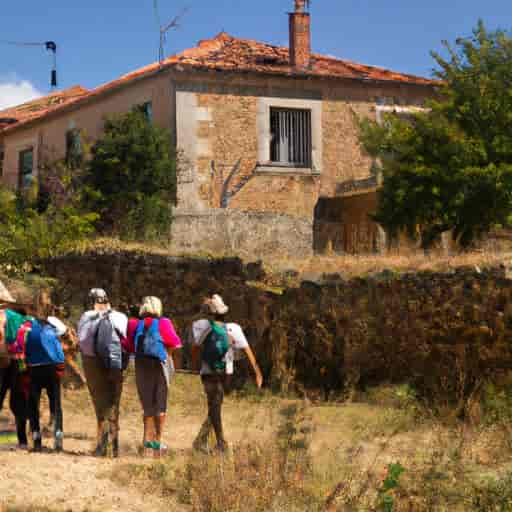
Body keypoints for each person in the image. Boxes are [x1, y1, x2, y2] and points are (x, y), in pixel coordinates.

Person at [191, 294, 263, 453]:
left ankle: (204, 440)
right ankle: (219, 443)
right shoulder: (234, 328)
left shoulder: (203, 327)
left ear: (210, 313)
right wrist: (257, 372)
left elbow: (195, 348)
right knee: (216, 405)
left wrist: (196, 366)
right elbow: (247, 351)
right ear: (225, 313)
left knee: (215, 406)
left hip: (207, 371)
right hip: (226, 373)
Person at [127, 296, 182, 457]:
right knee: (160, 404)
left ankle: (145, 444)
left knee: (147, 406)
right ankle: (158, 441)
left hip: (141, 364)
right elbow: (175, 342)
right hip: (159, 365)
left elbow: (129, 346)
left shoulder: (134, 324)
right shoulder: (164, 322)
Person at [77, 288, 128, 457]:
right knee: (114, 405)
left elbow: (83, 342)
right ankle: (115, 447)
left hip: (93, 363)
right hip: (117, 365)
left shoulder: (86, 316)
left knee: (101, 407)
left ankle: (102, 446)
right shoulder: (120, 316)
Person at [25, 316, 67, 452]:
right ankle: (59, 441)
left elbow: (23, 353)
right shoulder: (52, 332)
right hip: (51, 370)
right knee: (56, 406)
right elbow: (60, 355)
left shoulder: (28, 332)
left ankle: (37, 441)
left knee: (33, 406)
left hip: (34, 370)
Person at [0, 307, 33, 449]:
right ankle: (23, 441)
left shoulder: (3, 315)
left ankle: (10, 440)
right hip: (20, 364)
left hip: (3, 361)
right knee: (19, 402)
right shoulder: (28, 322)